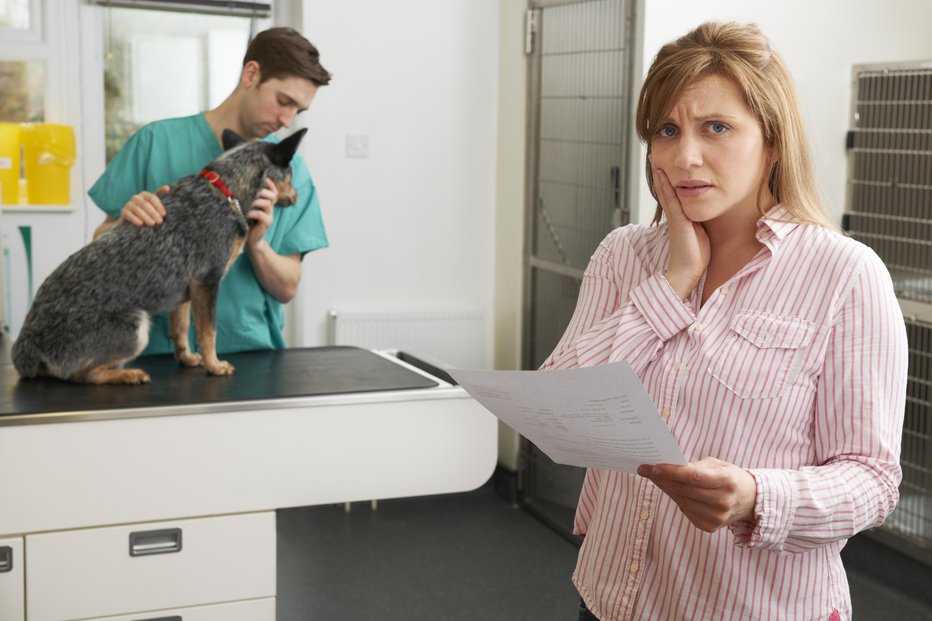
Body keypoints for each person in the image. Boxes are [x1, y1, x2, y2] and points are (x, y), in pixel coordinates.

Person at [540, 22, 908, 620]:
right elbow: (560, 412)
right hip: (612, 601)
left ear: (773, 142)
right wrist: (673, 280)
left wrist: (757, 498)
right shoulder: (625, 255)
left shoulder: (845, 274)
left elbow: (871, 480)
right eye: (666, 130)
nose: (685, 156)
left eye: (717, 128)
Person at [90, 27, 331, 355]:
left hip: (251, 352)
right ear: (251, 74)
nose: (287, 120)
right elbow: (98, 244)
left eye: (298, 111)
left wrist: (257, 245)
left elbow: (287, 287)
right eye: (283, 101)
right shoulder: (155, 143)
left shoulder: (290, 170)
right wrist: (124, 223)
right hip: (158, 353)